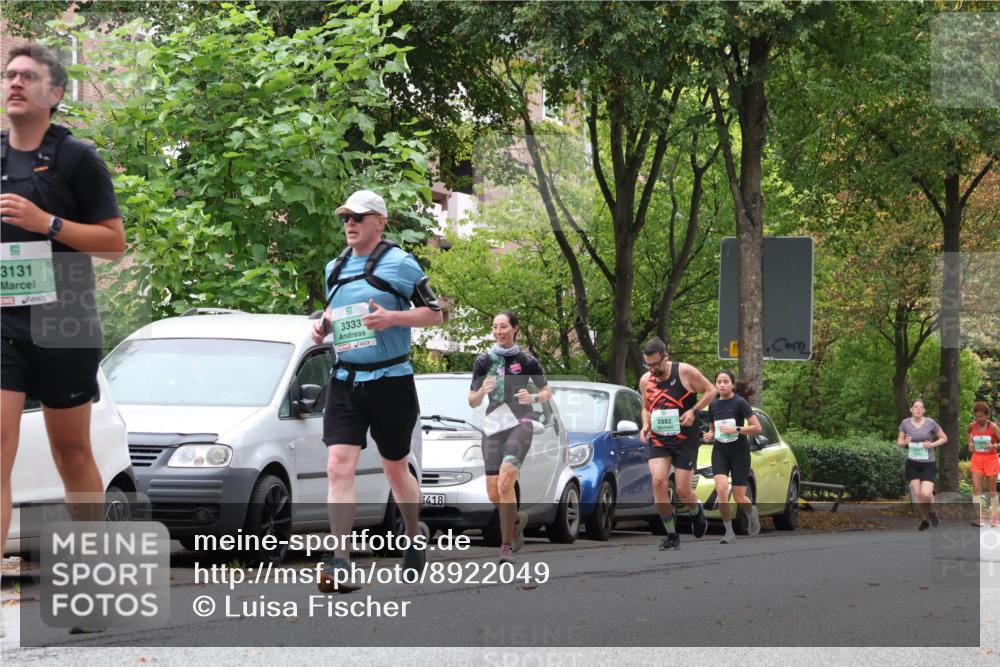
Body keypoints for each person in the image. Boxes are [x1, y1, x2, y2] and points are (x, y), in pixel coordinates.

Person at [1, 44, 126, 560]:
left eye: (28, 76)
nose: (15, 82)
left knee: (71, 452)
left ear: (54, 94)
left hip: (66, 314)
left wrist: (45, 223)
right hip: (6, 318)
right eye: (9, 74)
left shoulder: (77, 156)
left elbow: (114, 244)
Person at [311, 189, 443, 592]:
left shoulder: (400, 263)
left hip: (391, 380)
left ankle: (412, 535)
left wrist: (394, 317)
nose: (350, 223)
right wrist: (322, 326)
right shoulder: (333, 267)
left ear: (380, 222)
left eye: (359, 217)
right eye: (345, 217)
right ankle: (341, 560)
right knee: (338, 465)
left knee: (395, 468)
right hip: (346, 379)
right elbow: (332, 314)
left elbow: (437, 314)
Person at [468, 311, 552, 563]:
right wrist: (483, 389)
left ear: (515, 328)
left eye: (503, 326)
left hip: (521, 422)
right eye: (495, 327)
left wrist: (534, 397)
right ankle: (516, 519)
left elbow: (548, 391)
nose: (498, 331)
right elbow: (472, 401)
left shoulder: (527, 360)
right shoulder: (484, 361)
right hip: (494, 425)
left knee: (506, 481)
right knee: (494, 492)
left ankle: (505, 547)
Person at [639, 337, 717, 550]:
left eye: (656, 364)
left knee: (683, 490)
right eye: (649, 364)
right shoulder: (645, 380)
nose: (653, 369)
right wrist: (645, 424)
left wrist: (694, 411)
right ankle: (672, 534)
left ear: (666, 356)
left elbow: (711, 391)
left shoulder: (685, 372)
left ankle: (696, 511)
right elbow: (646, 407)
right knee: (658, 482)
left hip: (685, 438)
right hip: (659, 437)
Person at [702, 371, 762, 543]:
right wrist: (709, 435)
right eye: (718, 382)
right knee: (721, 489)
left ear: (732, 385)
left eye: (725, 381)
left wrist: (737, 429)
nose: (721, 385)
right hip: (720, 451)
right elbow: (713, 429)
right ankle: (729, 532)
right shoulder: (713, 406)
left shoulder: (740, 403)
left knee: (738, 497)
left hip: (739, 452)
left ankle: (751, 512)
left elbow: (757, 428)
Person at [896, 398, 946, 531]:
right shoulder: (905, 423)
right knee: (918, 495)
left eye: (921, 407)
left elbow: (944, 438)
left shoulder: (930, 423)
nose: (918, 409)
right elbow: (899, 443)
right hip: (912, 463)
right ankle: (925, 520)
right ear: (911, 409)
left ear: (924, 410)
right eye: (915, 407)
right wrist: (905, 442)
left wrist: (932, 444)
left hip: (928, 463)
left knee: (926, 494)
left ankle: (932, 511)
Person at [967, 402, 1000, 528]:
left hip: (991, 460)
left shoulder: (994, 427)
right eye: (976, 416)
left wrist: (994, 445)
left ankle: (994, 518)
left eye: (981, 416)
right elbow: (969, 434)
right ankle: (978, 517)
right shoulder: (972, 426)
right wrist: (970, 443)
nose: (978, 419)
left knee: (992, 490)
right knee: (976, 489)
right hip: (977, 459)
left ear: (987, 415)